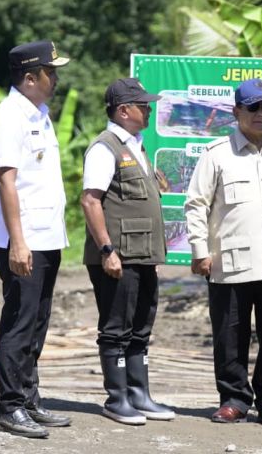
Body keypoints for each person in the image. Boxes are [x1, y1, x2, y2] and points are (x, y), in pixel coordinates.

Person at [184, 79, 262, 427]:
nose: (261, 114)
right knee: (230, 334)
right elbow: (196, 204)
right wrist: (200, 250)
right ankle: (233, 398)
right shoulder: (217, 154)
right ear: (236, 112)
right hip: (229, 261)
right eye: (253, 107)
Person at [0, 40, 72, 438]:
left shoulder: (39, 113)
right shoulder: (7, 117)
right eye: (50, 72)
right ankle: (9, 406)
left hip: (46, 235)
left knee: (37, 322)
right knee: (20, 322)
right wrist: (18, 242)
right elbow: (7, 182)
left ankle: (29, 398)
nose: (55, 79)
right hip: (22, 239)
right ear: (29, 77)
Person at [80, 78, 174, 425]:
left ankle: (139, 394)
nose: (148, 110)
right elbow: (90, 201)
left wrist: (151, 255)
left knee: (140, 328)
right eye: (142, 105)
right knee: (116, 328)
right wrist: (107, 249)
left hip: (142, 255)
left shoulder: (137, 145)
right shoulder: (105, 148)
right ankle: (116, 398)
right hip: (118, 256)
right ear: (123, 111)